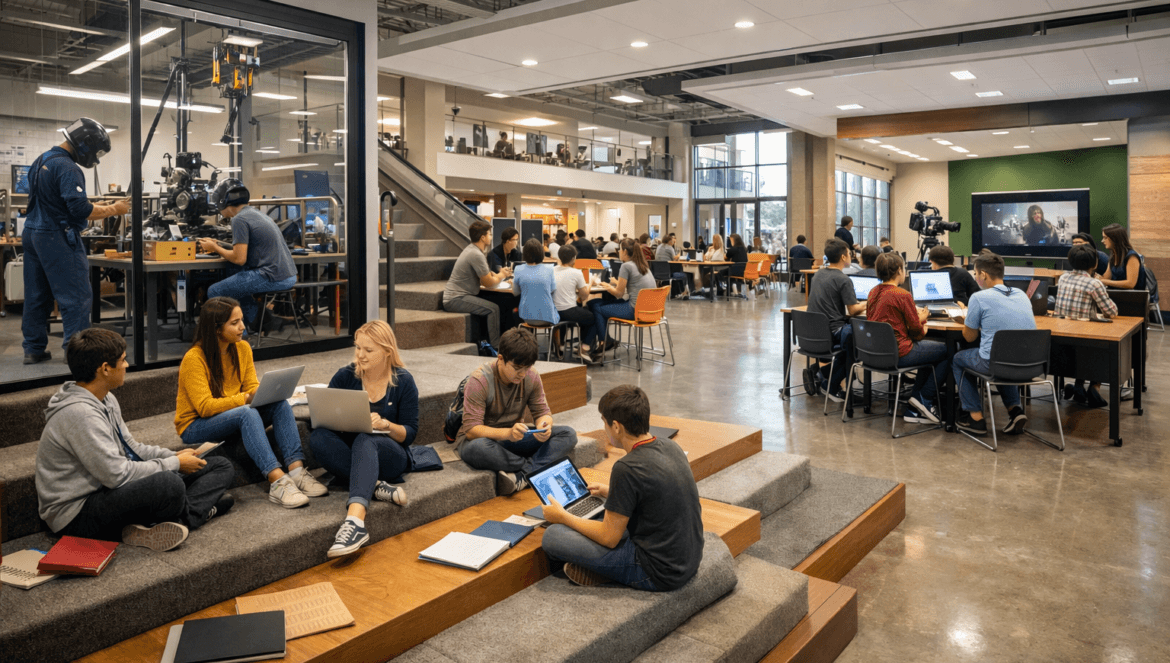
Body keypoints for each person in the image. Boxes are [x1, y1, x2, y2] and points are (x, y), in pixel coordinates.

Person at [37, 328, 234, 551]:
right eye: (122, 360)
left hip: (107, 490)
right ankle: (189, 517)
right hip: (76, 513)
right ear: (104, 369)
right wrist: (174, 465)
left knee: (219, 464)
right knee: (169, 485)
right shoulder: (80, 414)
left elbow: (131, 447)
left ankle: (172, 521)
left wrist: (173, 456)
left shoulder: (105, 398)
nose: (127, 365)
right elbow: (117, 475)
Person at [541, 385, 702, 590]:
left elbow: (609, 538)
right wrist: (612, 492)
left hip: (658, 573)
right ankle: (602, 568)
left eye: (604, 423)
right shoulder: (670, 446)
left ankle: (608, 572)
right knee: (603, 515)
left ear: (616, 426)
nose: (604, 429)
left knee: (553, 536)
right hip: (689, 560)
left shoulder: (626, 468)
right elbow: (657, 494)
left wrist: (562, 516)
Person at [175, 297, 326, 507]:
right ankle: (277, 481)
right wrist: (246, 398)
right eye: (234, 323)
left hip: (231, 414)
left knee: (279, 404)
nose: (242, 327)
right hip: (195, 425)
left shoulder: (242, 348)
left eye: (241, 320)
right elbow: (205, 407)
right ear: (217, 329)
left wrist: (263, 393)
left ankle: (297, 470)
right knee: (247, 412)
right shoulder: (194, 358)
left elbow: (250, 386)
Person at [21, 118, 129, 365]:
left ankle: (34, 348)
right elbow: (80, 210)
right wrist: (116, 208)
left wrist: (98, 205)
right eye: (97, 151)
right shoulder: (68, 167)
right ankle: (77, 354)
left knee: (38, 295)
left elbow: (56, 201)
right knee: (76, 297)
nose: (96, 157)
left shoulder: (42, 161)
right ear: (85, 143)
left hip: (33, 233)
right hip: (55, 236)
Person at [309, 320, 419, 558]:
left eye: (368, 350)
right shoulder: (346, 376)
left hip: (392, 454)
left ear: (387, 352)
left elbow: (409, 434)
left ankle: (355, 522)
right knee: (318, 437)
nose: (360, 355)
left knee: (365, 438)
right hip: (353, 453)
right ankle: (374, 485)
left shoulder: (403, 381)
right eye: (358, 347)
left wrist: (386, 425)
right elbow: (326, 417)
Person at [455, 328, 578, 495]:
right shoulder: (479, 380)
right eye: (517, 367)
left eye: (527, 368)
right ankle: (535, 469)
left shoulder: (531, 376)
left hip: (516, 437)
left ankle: (523, 473)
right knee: (479, 447)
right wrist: (507, 433)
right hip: (485, 440)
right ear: (500, 359)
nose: (522, 373)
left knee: (567, 434)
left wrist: (544, 425)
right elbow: (471, 431)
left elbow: (542, 411)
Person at [950, 252, 1035, 437]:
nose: (975, 277)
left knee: (959, 359)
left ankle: (975, 417)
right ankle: (1015, 411)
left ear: (983, 275)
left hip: (995, 363)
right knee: (1002, 356)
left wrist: (968, 323)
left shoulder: (979, 298)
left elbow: (970, 338)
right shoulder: (1021, 294)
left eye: (975, 274)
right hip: (1030, 363)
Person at [198, 179, 297, 335]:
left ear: (223, 201)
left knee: (215, 291)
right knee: (236, 287)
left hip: (271, 276)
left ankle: (238, 339)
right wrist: (221, 244)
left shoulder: (239, 219)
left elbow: (239, 259)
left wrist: (214, 247)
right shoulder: (256, 214)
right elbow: (245, 249)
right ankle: (258, 323)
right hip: (287, 275)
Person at [865, 253, 949, 423]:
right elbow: (916, 332)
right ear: (899, 271)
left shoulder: (873, 292)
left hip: (874, 353)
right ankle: (924, 398)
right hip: (899, 353)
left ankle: (914, 408)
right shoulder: (903, 295)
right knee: (948, 351)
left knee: (929, 354)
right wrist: (923, 319)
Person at [1055, 243, 1119, 409]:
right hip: (1086, 343)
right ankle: (1094, 385)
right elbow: (1111, 311)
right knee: (1100, 341)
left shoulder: (1063, 278)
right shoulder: (1094, 284)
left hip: (1061, 341)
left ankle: (1078, 385)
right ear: (1095, 264)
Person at [806, 238, 867, 401]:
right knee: (860, 344)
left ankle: (824, 374)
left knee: (851, 342)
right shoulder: (843, 280)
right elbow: (853, 310)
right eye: (849, 253)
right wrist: (868, 302)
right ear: (843, 257)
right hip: (832, 331)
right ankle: (831, 383)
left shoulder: (819, 274)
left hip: (813, 332)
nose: (851, 256)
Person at [443, 220, 513, 349]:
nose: (491, 237)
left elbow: (487, 275)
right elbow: (488, 283)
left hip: (459, 295)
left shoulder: (472, 250)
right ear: (483, 237)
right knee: (493, 308)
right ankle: (496, 347)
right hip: (456, 298)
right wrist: (502, 275)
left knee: (497, 302)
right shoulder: (476, 254)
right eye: (490, 234)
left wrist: (498, 275)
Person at [588, 238, 657, 360]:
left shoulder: (626, 266)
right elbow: (633, 284)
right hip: (651, 310)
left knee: (595, 307)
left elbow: (619, 294)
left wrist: (607, 285)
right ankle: (603, 341)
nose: (619, 252)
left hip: (634, 310)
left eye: (619, 250)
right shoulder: (643, 265)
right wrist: (616, 282)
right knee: (594, 303)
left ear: (624, 251)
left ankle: (605, 341)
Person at [553, 244, 599, 363]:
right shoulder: (576, 273)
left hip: (553, 312)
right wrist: (590, 283)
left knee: (583, 314)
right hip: (569, 311)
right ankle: (584, 347)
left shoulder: (551, 271)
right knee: (592, 318)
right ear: (574, 258)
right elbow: (584, 296)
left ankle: (562, 345)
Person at [512, 238, 559, 325]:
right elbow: (552, 290)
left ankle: (527, 337)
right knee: (557, 313)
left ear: (524, 253)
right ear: (541, 253)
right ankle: (554, 338)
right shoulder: (550, 269)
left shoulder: (518, 269)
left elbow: (515, 292)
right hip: (547, 316)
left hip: (526, 316)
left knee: (513, 310)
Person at [1097, 223, 1149, 292]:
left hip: (1131, 298)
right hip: (1117, 295)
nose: (1102, 241)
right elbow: (1106, 277)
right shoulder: (1113, 256)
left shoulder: (1131, 256)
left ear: (1115, 239)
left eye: (1105, 238)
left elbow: (1130, 284)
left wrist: (1106, 282)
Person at [654, 234, 691, 298]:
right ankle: (683, 291)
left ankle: (677, 292)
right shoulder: (669, 247)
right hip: (668, 272)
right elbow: (674, 258)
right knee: (683, 272)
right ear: (669, 241)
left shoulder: (659, 247)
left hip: (657, 272)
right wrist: (679, 255)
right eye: (672, 241)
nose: (673, 242)